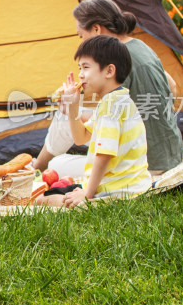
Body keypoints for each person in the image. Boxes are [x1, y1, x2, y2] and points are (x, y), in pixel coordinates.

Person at [34, 0, 183, 177]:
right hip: (172, 153)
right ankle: (37, 166)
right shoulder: (140, 46)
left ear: (96, 29)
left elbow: (108, 123)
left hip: (144, 163)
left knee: (57, 161)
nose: (82, 43)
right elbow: (172, 87)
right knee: (70, 115)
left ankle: (35, 169)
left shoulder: (114, 61)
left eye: (82, 36)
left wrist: (74, 112)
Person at [35, 35, 152, 207]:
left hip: (119, 190)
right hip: (131, 185)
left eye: (86, 67)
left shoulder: (110, 108)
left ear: (109, 71)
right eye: (79, 68)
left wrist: (87, 193)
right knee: (53, 191)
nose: (80, 76)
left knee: (43, 200)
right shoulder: (116, 100)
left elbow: (104, 154)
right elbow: (80, 138)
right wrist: (73, 107)